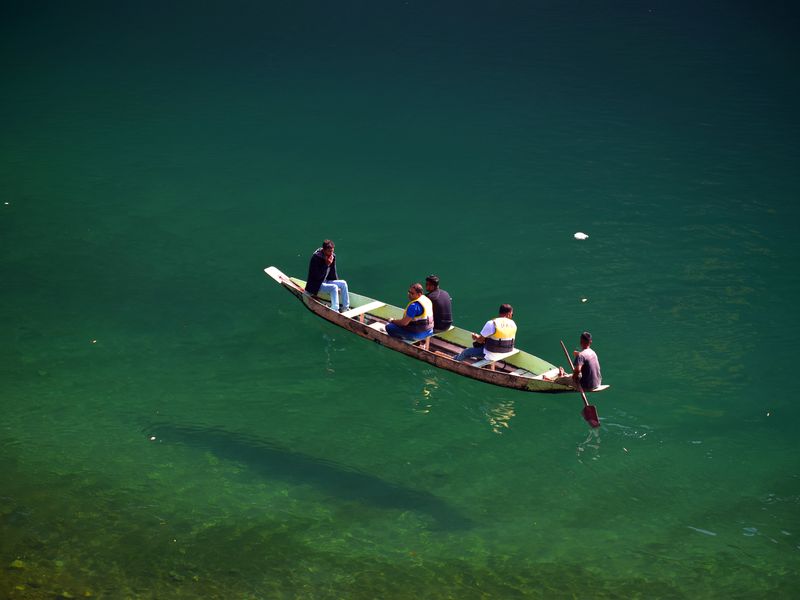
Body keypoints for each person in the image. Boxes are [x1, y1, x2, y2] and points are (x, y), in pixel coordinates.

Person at [305, 239, 350, 313]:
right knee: (334, 287)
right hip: (316, 284)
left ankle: (345, 308)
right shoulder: (316, 258)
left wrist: (337, 285)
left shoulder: (332, 256)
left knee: (343, 283)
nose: (331, 253)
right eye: (329, 251)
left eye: (332, 251)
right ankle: (335, 310)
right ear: (324, 250)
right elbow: (317, 276)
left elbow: (333, 272)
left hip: (326, 281)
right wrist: (327, 264)